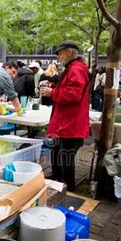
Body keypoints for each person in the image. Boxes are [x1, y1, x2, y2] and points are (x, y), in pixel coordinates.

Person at [39, 40, 89, 192]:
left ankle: (68, 188)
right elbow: (70, 90)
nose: (58, 57)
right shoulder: (72, 68)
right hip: (65, 122)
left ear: (69, 52)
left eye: (60, 53)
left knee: (65, 158)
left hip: (70, 123)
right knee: (57, 154)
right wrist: (54, 87)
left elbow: (74, 94)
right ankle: (57, 181)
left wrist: (52, 92)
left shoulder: (76, 69)